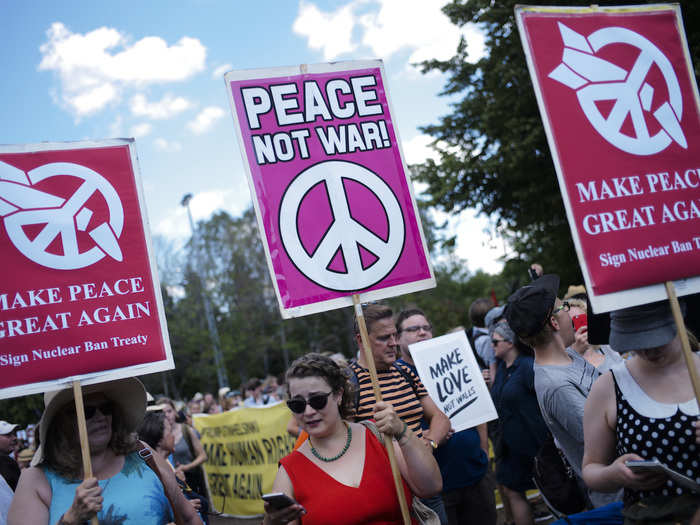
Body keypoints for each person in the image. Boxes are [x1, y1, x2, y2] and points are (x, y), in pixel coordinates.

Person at [263, 353, 442, 525]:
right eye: (298, 404)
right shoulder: (289, 470)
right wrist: (271, 522)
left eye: (317, 400)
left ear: (338, 395)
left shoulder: (378, 436)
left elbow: (431, 486)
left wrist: (403, 432)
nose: (308, 412)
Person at [8, 377, 202, 525]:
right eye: (87, 411)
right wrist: (71, 519)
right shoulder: (37, 480)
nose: (100, 417)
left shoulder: (144, 455)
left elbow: (189, 517)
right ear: (61, 423)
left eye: (106, 408)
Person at [505, 274, 622, 511]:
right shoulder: (556, 385)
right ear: (554, 323)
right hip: (619, 498)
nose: (570, 312)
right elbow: (602, 442)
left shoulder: (570, 357)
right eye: (565, 307)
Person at [582, 301, 700, 523]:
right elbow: (590, 469)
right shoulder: (608, 386)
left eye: (657, 339)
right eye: (636, 341)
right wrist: (614, 474)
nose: (648, 350)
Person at [396, 308, 496, 525]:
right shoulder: (396, 376)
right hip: (438, 488)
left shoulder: (451, 358)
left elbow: (477, 411)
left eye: (426, 328)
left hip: (476, 472)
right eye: (413, 329)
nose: (422, 332)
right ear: (398, 338)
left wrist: (483, 450)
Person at [488, 317, 549, 525]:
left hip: (532, 443)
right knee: (511, 489)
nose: (492, 345)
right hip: (509, 446)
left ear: (510, 342)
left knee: (549, 489)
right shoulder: (502, 368)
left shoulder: (527, 366)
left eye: (496, 341)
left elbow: (544, 400)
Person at [138, 410, 208, 524]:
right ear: (160, 440)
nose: (173, 435)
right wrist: (178, 509)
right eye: (170, 431)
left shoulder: (170, 464)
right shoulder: (150, 475)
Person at [157, 397, 208, 498]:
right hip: (171, 483)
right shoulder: (158, 434)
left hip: (192, 479)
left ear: (175, 412)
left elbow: (203, 456)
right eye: (163, 413)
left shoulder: (186, 430)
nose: (167, 415)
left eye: (169, 411)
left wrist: (186, 467)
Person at [567, 297, 622, 373]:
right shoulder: (565, 361)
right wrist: (576, 354)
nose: (579, 326)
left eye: (582, 319)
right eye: (572, 322)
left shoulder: (606, 347)